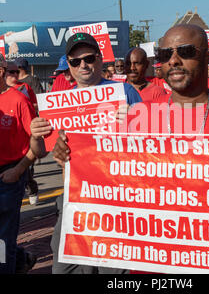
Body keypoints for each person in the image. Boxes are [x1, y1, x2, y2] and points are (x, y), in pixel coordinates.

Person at [51, 25, 209, 274]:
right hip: (150, 266)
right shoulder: (138, 117)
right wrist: (70, 154)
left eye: (186, 51)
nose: (174, 61)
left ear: (208, 57)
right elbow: (104, 180)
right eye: (165, 54)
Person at [30, 32, 142, 274]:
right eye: (75, 61)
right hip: (74, 200)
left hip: (117, 201)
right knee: (64, 269)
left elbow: (152, 147)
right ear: (68, 65)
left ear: (101, 60)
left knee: (112, 272)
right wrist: (35, 135)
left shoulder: (125, 92)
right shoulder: (58, 103)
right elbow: (39, 152)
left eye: (89, 58)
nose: (83, 65)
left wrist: (136, 123)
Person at [0, 55, 37, 274]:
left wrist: (18, 171)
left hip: (9, 178)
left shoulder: (18, 100)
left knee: (3, 241)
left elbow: (38, 146)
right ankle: (22, 259)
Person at [5, 62, 39, 205]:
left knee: (27, 171)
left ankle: (31, 189)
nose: (14, 75)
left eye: (16, 72)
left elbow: (36, 104)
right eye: (11, 72)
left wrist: (25, 107)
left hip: (23, 140)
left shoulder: (25, 88)